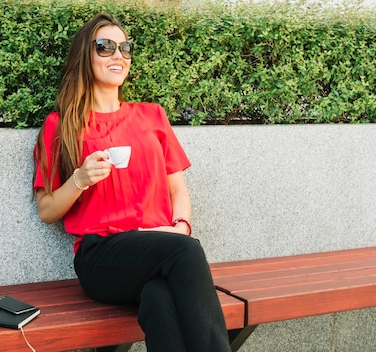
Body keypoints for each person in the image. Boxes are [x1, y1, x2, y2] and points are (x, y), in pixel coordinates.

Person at [33, 13, 232, 352]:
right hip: (101, 257)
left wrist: (181, 226)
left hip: (160, 247)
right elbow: (47, 210)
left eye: (124, 48)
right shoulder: (62, 125)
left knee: (159, 299)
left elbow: (177, 189)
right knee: (186, 251)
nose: (118, 55)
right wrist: (79, 179)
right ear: (85, 55)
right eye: (105, 47)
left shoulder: (151, 115)